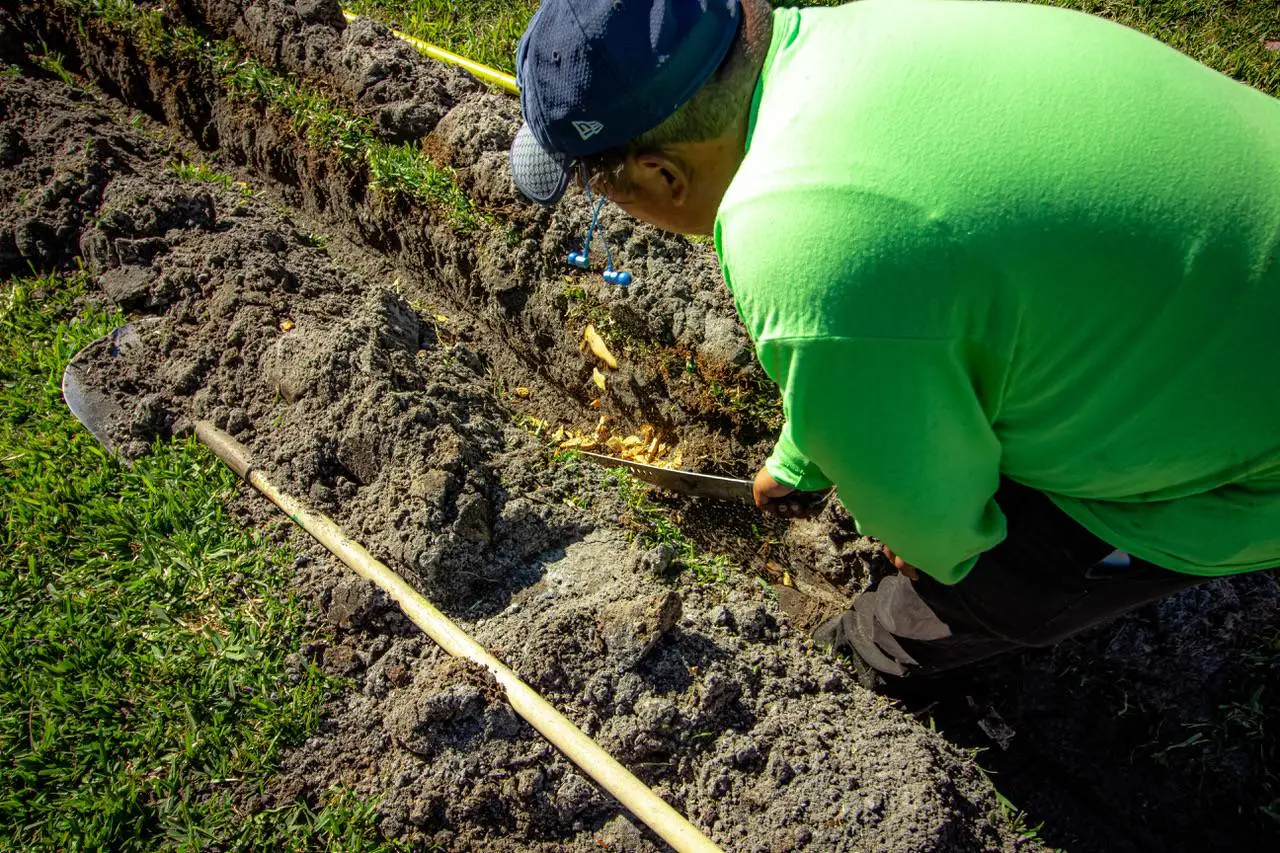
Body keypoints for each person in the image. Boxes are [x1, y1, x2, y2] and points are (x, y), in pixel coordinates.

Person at [508, 0, 1280, 686]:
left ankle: (846, 666)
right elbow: (899, 297)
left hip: (1256, 460)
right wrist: (805, 458)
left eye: (599, 189)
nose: (609, 205)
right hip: (1223, 278)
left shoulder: (797, 234)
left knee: (975, 589)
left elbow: (940, 534)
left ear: (660, 173)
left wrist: (923, 543)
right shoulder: (862, 31)